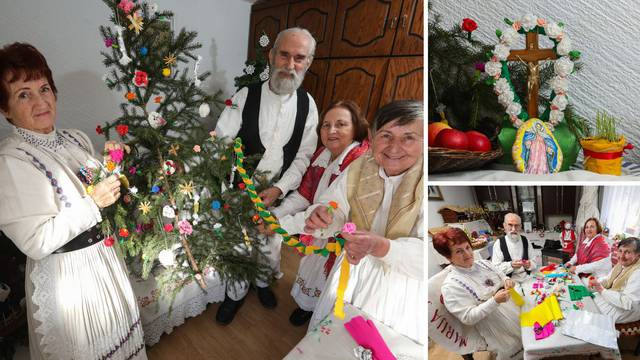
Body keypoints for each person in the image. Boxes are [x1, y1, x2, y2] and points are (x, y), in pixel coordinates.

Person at [0, 43, 146, 359]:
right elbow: (35, 242)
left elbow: (98, 193)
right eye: (24, 94)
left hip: (105, 261)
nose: (41, 101)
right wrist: (93, 203)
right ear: (5, 109)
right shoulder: (11, 162)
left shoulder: (74, 137)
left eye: (44, 88)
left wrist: (110, 165)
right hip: (70, 280)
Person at [213, 27, 319, 324]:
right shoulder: (245, 96)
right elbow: (221, 142)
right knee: (238, 248)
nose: (290, 64)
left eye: (299, 58)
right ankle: (233, 295)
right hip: (238, 192)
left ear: (308, 62)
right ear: (272, 56)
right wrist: (229, 189)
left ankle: (261, 284)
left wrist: (280, 189)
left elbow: (303, 157)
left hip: (276, 197)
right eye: (284, 54)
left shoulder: (308, 106)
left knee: (270, 247)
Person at [304, 100, 424, 343]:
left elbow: (429, 256)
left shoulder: (427, 178)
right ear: (371, 135)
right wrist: (324, 216)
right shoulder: (360, 166)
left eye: (408, 137)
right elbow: (335, 204)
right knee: (334, 341)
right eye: (386, 136)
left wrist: (381, 247)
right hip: (352, 270)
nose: (394, 147)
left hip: (400, 288)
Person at [269, 100, 368, 326]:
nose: (331, 130)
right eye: (326, 125)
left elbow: (325, 215)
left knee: (333, 283)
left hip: (342, 239)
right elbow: (305, 194)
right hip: (318, 235)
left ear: (356, 128)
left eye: (341, 124)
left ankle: (324, 317)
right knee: (312, 272)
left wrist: (279, 225)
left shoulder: (359, 162)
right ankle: (308, 307)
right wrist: (277, 215)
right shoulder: (322, 154)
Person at [434, 227, 523, 360]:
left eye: (467, 247)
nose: (467, 254)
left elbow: (500, 274)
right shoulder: (451, 286)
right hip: (494, 324)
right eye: (459, 251)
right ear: (448, 257)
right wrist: (495, 301)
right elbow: (468, 317)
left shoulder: (484, 263)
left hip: (512, 306)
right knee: (518, 345)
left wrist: (506, 280)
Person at [589, 237, 640, 323]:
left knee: (592, 311)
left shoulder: (637, 272)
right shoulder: (621, 264)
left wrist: (602, 290)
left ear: (638, 255)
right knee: (589, 298)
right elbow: (609, 279)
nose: (622, 256)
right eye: (620, 251)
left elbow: (628, 303)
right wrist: (597, 283)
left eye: (627, 252)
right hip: (616, 298)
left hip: (628, 309)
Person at [492, 213, 536, 283]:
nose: (513, 229)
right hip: (509, 280)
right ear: (504, 226)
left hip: (527, 276)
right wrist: (510, 265)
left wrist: (529, 264)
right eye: (510, 225)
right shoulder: (499, 243)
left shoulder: (526, 240)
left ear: (521, 226)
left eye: (516, 225)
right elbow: (495, 268)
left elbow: (534, 261)